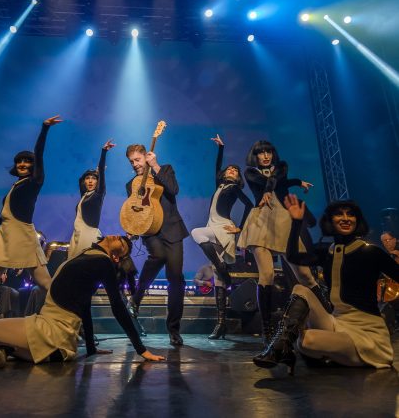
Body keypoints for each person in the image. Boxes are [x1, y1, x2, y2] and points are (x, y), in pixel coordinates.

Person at [0, 235, 165, 368]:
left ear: (117, 257)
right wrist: (92, 349)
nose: (120, 237)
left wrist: (140, 350)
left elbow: (118, 307)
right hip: (51, 335)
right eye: (120, 235)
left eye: (124, 243)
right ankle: (2, 352)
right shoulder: (88, 257)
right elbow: (83, 304)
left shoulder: (103, 261)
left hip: (50, 333)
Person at [254, 195, 399, 374]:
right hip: (338, 322)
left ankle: (291, 351)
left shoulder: (372, 252)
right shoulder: (327, 251)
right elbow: (293, 257)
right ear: (330, 220)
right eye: (339, 214)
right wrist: (296, 222)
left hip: (367, 333)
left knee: (308, 341)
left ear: (357, 220)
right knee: (300, 289)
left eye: (351, 215)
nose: (346, 218)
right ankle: (281, 347)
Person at [236, 140, 323, 347]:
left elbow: (278, 180)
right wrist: (268, 190)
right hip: (260, 221)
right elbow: (265, 183)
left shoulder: (281, 166)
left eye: (268, 152)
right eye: (261, 153)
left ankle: (327, 311)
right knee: (267, 275)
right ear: (255, 156)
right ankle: (267, 329)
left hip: (283, 220)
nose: (265, 155)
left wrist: (297, 181)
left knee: (306, 276)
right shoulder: (249, 172)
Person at [0, 116, 62, 318]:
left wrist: (44, 129)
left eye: (27, 161)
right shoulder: (16, 185)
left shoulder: (35, 181)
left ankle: (66, 320)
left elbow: (39, 154)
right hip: (5, 236)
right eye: (19, 161)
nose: (23, 164)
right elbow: (11, 211)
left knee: (46, 284)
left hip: (23, 236)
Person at [125, 144, 189, 346]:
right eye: (131, 162)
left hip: (171, 229)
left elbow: (173, 190)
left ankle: (173, 329)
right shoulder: (132, 184)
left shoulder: (165, 169)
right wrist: (133, 227)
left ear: (146, 157)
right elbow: (134, 208)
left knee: (176, 279)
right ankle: (137, 297)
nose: (135, 164)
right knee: (158, 255)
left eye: (137, 160)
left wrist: (155, 165)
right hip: (150, 231)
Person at [191, 134, 253, 339]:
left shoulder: (234, 188)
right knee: (219, 280)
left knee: (196, 232)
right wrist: (221, 148)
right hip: (213, 225)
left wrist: (241, 228)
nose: (231, 171)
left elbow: (249, 205)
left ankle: (220, 266)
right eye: (229, 169)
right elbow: (216, 168)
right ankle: (221, 324)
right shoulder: (220, 185)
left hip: (224, 227)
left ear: (238, 178)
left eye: (235, 171)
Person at [67, 139, 115, 261]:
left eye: (93, 179)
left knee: (84, 268)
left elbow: (102, 174)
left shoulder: (98, 195)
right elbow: (80, 180)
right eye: (87, 178)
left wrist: (103, 152)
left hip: (88, 236)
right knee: (72, 268)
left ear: (98, 182)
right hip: (76, 235)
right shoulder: (85, 194)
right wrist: (95, 172)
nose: (89, 181)